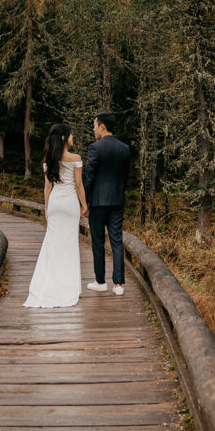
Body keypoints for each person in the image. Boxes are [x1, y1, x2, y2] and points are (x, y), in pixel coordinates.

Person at [23, 123, 88, 308]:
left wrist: (46, 208)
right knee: (68, 245)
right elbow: (78, 185)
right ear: (63, 138)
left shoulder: (48, 159)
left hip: (54, 203)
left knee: (52, 244)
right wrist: (84, 205)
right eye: (70, 135)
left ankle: (47, 284)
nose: (72, 138)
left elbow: (48, 186)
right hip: (69, 204)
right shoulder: (75, 158)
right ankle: (68, 286)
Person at [82, 112, 131, 295]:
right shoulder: (124, 148)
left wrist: (83, 201)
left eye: (95, 126)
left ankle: (100, 281)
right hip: (117, 199)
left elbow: (89, 176)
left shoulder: (95, 148)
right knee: (117, 240)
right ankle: (118, 285)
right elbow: (125, 177)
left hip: (98, 201)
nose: (94, 130)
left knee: (98, 241)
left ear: (102, 126)